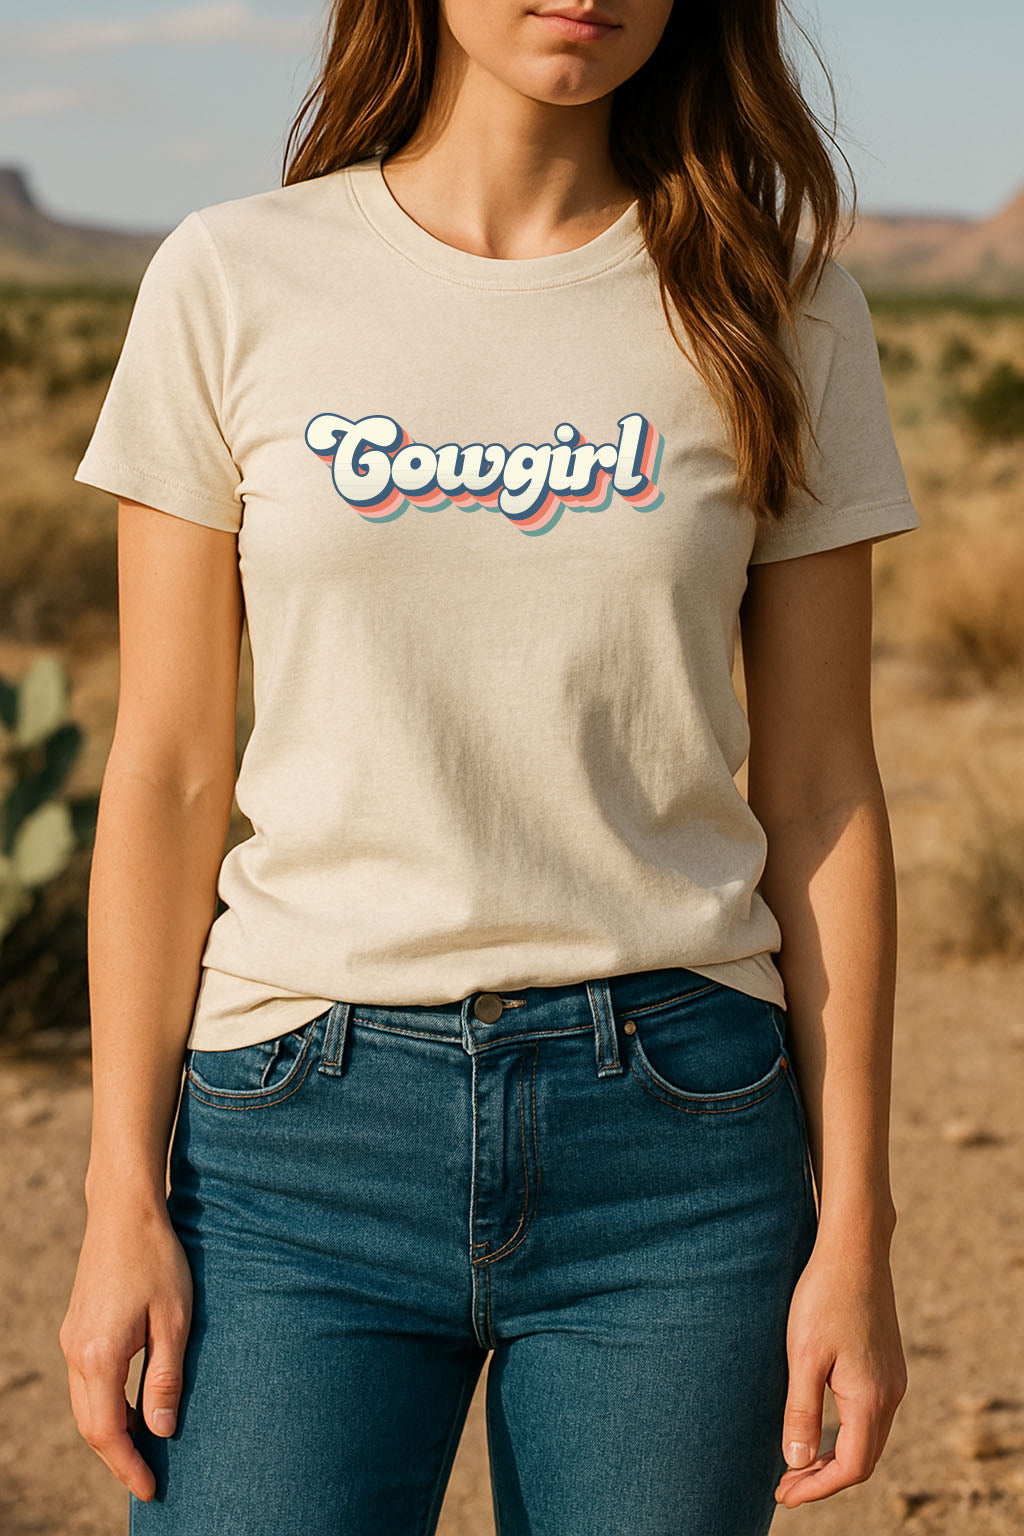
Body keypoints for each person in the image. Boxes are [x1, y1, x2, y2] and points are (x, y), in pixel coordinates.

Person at [59, 1, 917, 1531]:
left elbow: (822, 789)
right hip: (290, 1142)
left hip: (675, 1138)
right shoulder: (234, 276)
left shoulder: (775, 302)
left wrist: (855, 1223)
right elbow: (170, 770)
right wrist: (121, 1193)